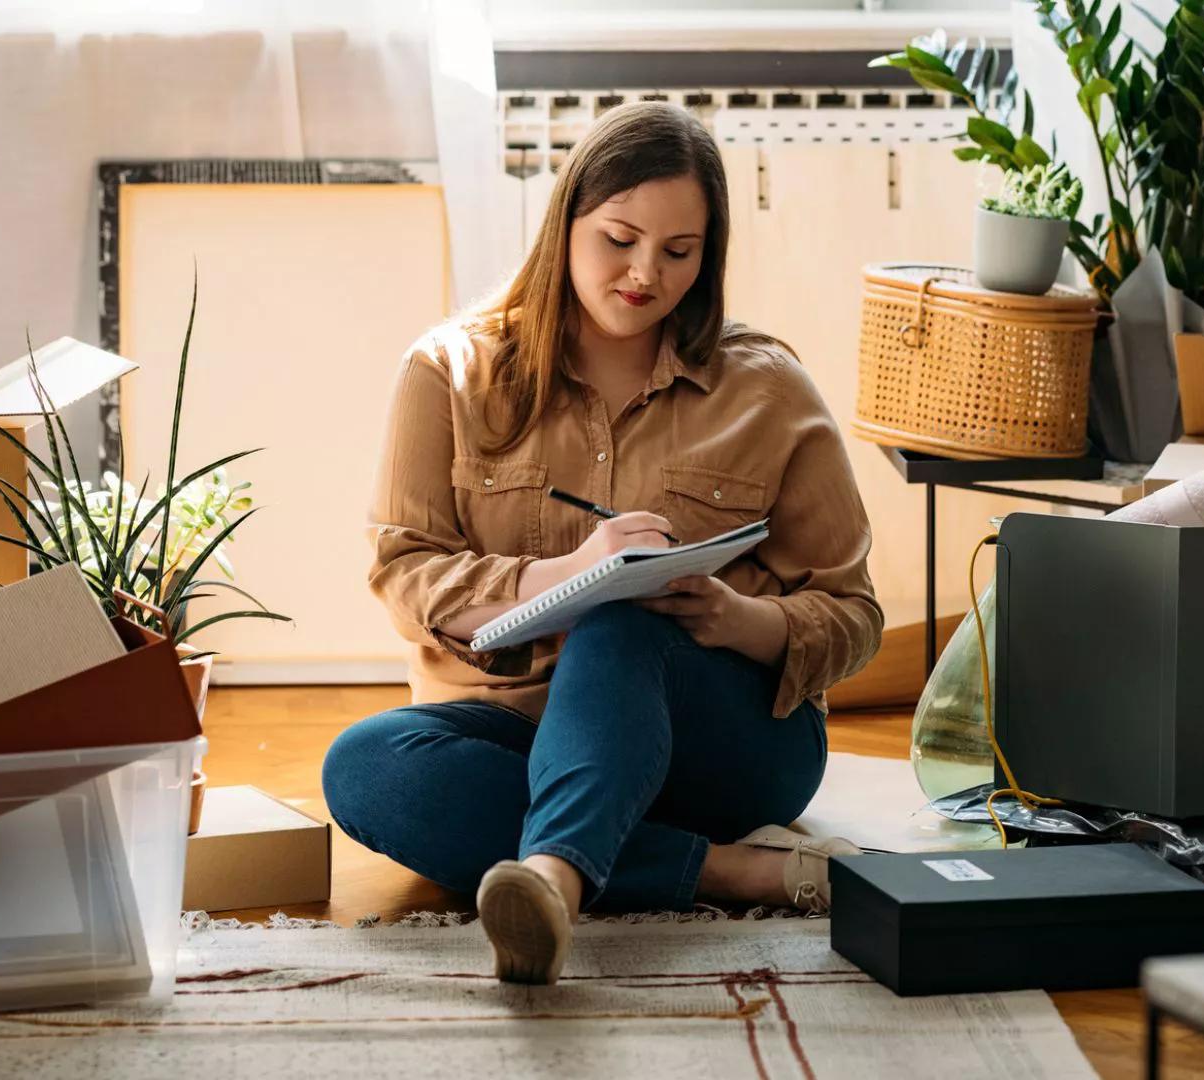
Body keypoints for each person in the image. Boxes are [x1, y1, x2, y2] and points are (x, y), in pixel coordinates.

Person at [322, 101, 882, 985]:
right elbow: (404, 572)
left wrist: (738, 619)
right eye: (619, 238)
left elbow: (852, 613)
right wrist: (566, 573)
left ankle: (551, 879)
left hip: (721, 745)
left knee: (622, 626)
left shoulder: (767, 389)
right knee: (364, 768)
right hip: (518, 731)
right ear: (567, 220)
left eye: (678, 252)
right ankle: (735, 872)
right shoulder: (447, 373)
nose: (643, 274)